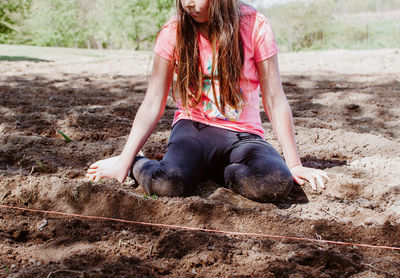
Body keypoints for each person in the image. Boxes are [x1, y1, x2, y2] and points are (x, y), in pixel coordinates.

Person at [86, 0, 329, 203]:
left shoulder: (255, 25)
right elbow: (153, 102)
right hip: (193, 129)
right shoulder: (174, 31)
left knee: (275, 183)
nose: (188, 3)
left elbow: (275, 99)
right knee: (169, 185)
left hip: (243, 136)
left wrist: (294, 164)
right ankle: (138, 164)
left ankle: (208, 169)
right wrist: (125, 160)